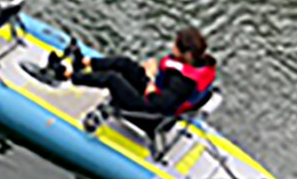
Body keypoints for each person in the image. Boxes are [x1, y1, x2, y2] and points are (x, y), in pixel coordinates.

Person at [47, 26, 217, 118]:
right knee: (125, 63)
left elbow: (159, 103)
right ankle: (84, 62)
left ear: (186, 53)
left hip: (149, 109)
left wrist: (150, 77)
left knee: (113, 79)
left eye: (176, 45)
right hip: (155, 93)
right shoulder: (197, 64)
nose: (172, 46)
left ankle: (66, 75)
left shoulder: (182, 82)